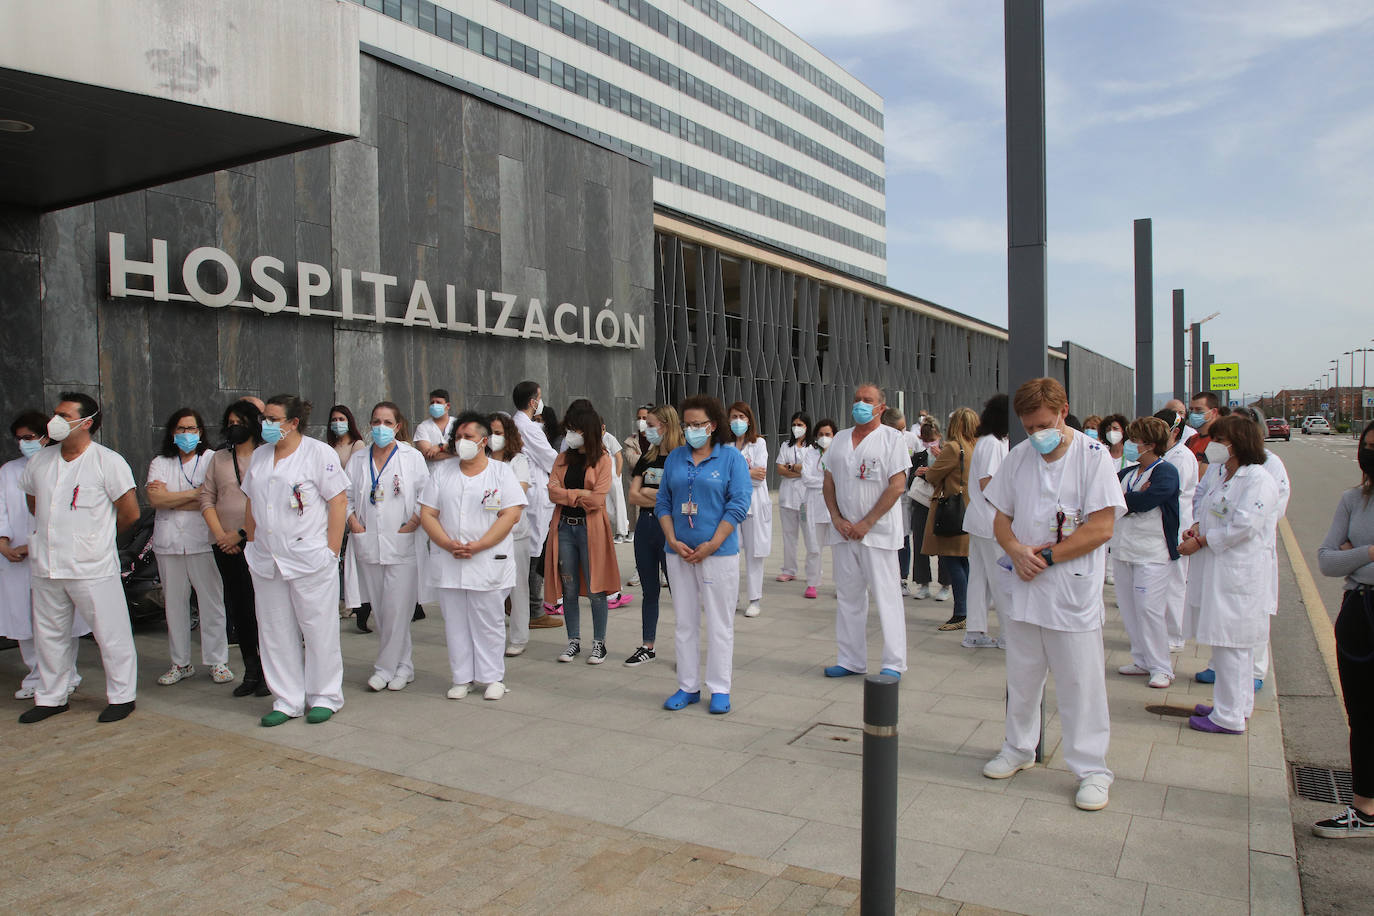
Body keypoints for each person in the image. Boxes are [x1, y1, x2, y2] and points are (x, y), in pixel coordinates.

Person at [982, 377, 1125, 811]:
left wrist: (1049, 557)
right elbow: (1000, 517)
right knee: (1022, 675)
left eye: (1044, 424)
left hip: (1069, 587)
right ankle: (1018, 747)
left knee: (1080, 683)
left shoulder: (1093, 457)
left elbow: (1101, 527)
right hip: (1024, 585)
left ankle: (1092, 769)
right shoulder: (1019, 458)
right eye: (1028, 427)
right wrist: (1015, 550)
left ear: (1063, 411)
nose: (1036, 434)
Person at [18, 393, 141, 724]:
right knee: (49, 635)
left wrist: (96, 537)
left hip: (92, 566)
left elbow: (129, 512)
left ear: (87, 422)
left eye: (63, 414)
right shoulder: (40, 461)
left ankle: (122, 696)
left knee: (110, 633)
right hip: (47, 564)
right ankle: (52, 697)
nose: (54, 420)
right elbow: (34, 504)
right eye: (54, 413)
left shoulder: (107, 461)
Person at [241, 395, 349, 726]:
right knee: (274, 630)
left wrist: (331, 551)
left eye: (273, 419)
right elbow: (251, 502)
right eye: (264, 419)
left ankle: (325, 695)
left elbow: (339, 501)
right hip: (267, 558)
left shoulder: (319, 453)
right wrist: (250, 540)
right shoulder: (260, 456)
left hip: (309, 557)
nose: (266, 425)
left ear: (293, 423)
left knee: (317, 628)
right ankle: (287, 698)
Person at [1178, 415, 1280, 736]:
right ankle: (1234, 705)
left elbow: (1244, 526)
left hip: (1239, 577)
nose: (1214, 447)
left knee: (1233, 646)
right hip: (1219, 572)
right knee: (1227, 646)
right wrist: (1196, 528)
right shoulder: (1226, 474)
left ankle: (1228, 716)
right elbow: (1209, 508)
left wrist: (1203, 541)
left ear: (1234, 443)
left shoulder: (1258, 480)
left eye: (1219, 441)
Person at [420, 412, 527, 700]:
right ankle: (462, 677)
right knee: (455, 622)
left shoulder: (501, 472)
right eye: (458, 437)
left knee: (488, 620)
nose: (462, 442)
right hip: (449, 558)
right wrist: (446, 542)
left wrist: (479, 545)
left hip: (488, 559)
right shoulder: (442, 472)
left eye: (468, 437)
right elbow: (428, 513)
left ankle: (492, 677)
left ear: (483, 441)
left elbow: (511, 514)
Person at [657, 395, 751, 713]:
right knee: (685, 622)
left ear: (713, 425)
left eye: (699, 424)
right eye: (688, 424)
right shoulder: (675, 458)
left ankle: (720, 688)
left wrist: (712, 543)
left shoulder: (731, 459)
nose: (693, 430)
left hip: (718, 553)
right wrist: (672, 537)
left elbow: (738, 504)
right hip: (679, 552)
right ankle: (688, 686)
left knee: (719, 622)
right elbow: (664, 503)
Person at [823, 384, 912, 680]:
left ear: (880, 407)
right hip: (844, 532)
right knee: (848, 597)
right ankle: (850, 659)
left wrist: (867, 522)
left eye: (867, 400)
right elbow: (829, 481)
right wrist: (836, 517)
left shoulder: (892, 439)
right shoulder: (839, 439)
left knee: (886, 597)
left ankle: (894, 662)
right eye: (857, 400)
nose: (860, 404)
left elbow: (897, 485)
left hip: (878, 532)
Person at [1313, 420, 1374, 837]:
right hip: (1359, 613)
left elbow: (1342, 557)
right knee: (1363, 717)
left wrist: (1353, 555)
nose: (1369, 451)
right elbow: (1327, 560)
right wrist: (1370, 553)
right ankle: (1364, 808)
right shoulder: (1353, 499)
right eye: (1367, 445)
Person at [343, 402, 428, 692]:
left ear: (398, 426)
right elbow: (346, 497)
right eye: (376, 421)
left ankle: (384, 668)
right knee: (380, 609)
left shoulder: (411, 457)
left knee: (397, 608)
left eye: (387, 422)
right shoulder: (358, 459)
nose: (380, 427)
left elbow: (425, 494)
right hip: (368, 541)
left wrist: (414, 521)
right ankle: (404, 666)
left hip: (402, 541)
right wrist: (352, 521)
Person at [2, 411, 86, 700]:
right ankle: (36, 676)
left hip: (51, 553)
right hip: (14, 558)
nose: (24, 443)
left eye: (30, 437)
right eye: (20, 438)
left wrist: (33, 543)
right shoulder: (8, 471)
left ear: (45, 437)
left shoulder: (59, 465)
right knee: (23, 619)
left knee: (59, 617)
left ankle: (68, 674)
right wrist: (3, 543)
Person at [147, 407, 231, 686]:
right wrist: (196, 495)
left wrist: (175, 497)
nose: (187, 434)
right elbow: (156, 501)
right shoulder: (160, 462)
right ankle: (180, 662)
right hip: (168, 543)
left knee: (211, 602)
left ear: (201, 432)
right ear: (173, 433)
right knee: (174, 605)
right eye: (181, 429)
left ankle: (217, 661)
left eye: (192, 429)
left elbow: (214, 499)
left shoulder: (212, 459)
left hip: (203, 541)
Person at [201, 400, 269, 697]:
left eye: (239, 421)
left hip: (256, 541)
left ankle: (270, 672)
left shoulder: (266, 456)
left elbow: (269, 503)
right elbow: (207, 498)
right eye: (229, 422)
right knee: (239, 609)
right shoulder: (218, 458)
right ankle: (251, 670)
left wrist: (240, 534)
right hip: (224, 545)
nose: (233, 427)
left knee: (262, 609)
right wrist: (221, 536)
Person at [546, 400, 619, 664]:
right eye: (569, 429)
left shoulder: (603, 459)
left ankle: (599, 643)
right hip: (565, 527)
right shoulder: (562, 458)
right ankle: (573, 641)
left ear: (587, 431)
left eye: (575, 429)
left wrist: (568, 495)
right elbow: (552, 491)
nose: (570, 435)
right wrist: (579, 495)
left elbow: (598, 500)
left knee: (596, 587)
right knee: (569, 587)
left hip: (591, 530)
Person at [1111, 417, 1181, 689]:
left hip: (1152, 552)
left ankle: (1161, 666)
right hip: (1124, 550)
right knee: (1129, 609)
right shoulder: (1128, 473)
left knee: (1150, 610)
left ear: (1150, 444)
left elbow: (1148, 500)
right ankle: (1140, 659)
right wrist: (1129, 500)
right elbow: (1107, 496)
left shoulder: (1166, 472)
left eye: (1134, 440)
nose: (1129, 444)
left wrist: (1126, 501)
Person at [623, 405, 683, 666]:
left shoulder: (682, 457)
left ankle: (685, 647)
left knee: (680, 592)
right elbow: (633, 495)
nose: (646, 429)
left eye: (651, 424)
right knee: (649, 590)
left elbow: (679, 498)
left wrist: (650, 494)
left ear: (666, 426)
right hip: (646, 527)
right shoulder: (647, 457)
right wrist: (659, 496)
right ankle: (648, 645)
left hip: (672, 528)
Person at [962, 395, 1010, 649]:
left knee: (980, 578)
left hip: (982, 520)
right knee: (1000, 577)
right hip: (991, 520)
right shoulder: (992, 443)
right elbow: (987, 483)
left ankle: (975, 631)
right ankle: (1007, 634)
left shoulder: (991, 441)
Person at [512, 381, 560, 627]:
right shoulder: (528, 427)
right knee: (534, 552)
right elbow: (549, 457)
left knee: (529, 550)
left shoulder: (516, 423)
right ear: (533, 402)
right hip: (535, 496)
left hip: (528, 493)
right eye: (539, 397)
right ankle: (534, 610)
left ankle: (522, 604)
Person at [924, 407, 976, 632]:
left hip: (952, 511)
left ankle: (961, 612)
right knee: (964, 562)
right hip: (969, 509)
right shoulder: (975, 447)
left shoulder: (953, 448)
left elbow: (933, 475)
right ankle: (972, 610)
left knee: (953, 561)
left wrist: (929, 469)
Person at [487, 412, 534, 657]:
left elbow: (519, 492)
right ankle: (490, 636)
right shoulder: (480, 460)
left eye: (498, 433)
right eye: (490, 433)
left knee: (517, 588)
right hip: (485, 535)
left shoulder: (517, 461)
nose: (493, 438)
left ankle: (518, 637)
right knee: (489, 589)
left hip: (514, 534)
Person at [1156, 408, 1198, 651]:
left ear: (1175, 432)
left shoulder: (1181, 456)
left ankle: (1175, 635)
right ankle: (1164, 632)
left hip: (1176, 526)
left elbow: (1165, 489)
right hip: (1163, 526)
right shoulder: (1167, 454)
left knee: (1174, 582)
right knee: (1164, 581)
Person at [728, 401, 771, 618]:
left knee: (755, 555)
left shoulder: (759, 444)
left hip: (754, 506)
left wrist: (738, 474)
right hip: (732, 507)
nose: (737, 421)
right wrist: (747, 472)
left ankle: (754, 599)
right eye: (734, 417)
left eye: (742, 417)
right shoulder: (724, 446)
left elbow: (760, 476)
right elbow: (724, 478)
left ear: (749, 420)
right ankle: (732, 598)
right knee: (730, 555)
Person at [910, 416, 952, 602]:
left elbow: (952, 477)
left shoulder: (946, 454)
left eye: (932, 439)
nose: (929, 444)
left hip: (942, 505)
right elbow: (907, 481)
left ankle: (945, 584)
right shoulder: (918, 456)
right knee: (920, 544)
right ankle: (923, 583)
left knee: (943, 545)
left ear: (940, 436)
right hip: (921, 505)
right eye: (925, 440)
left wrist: (940, 461)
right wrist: (916, 473)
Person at [776, 412, 819, 587]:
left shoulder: (813, 448)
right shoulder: (786, 445)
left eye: (800, 424)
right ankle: (789, 570)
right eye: (794, 424)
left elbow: (810, 470)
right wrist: (799, 470)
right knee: (789, 536)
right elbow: (780, 469)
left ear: (807, 427)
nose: (797, 427)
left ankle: (814, 573)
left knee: (810, 536)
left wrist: (792, 467)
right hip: (787, 496)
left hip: (805, 497)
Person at [800, 419, 837, 599]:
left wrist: (827, 484)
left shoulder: (839, 453)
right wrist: (828, 483)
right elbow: (806, 478)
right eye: (821, 435)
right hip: (814, 503)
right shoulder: (810, 453)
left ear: (834, 436)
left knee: (840, 548)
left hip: (835, 506)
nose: (824, 438)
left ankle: (842, 585)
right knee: (814, 547)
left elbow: (842, 478)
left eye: (828, 435)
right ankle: (812, 583)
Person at [413, 388, 456, 465]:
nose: (434, 405)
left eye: (438, 403)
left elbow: (464, 446)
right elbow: (428, 455)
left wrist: (440, 447)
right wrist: (455, 453)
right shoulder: (422, 427)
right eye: (432, 403)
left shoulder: (458, 424)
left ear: (448, 406)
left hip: (457, 472)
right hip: (433, 474)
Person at [604, 422, 630, 545]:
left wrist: (617, 475)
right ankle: (626, 526)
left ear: (603, 426)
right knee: (608, 508)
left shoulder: (609, 438)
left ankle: (622, 533)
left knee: (619, 504)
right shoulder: (593, 439)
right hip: (602, 479)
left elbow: (619, 457)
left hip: (613, 477)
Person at [1185, 391, 1222, 466]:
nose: (1193, 414)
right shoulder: (1191, 440)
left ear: (1213, 412)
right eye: (1191, 410)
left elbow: (1205, 473)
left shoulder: (1219, 441)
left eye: (1198, 410)